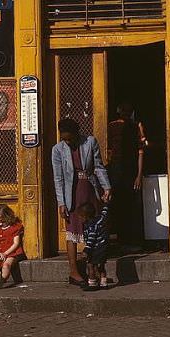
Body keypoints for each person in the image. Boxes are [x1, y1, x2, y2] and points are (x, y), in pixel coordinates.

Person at [51, 117, 111, 286]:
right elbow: (58, 178)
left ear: (77, 133)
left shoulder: (90, 142)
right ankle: (74, 272)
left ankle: (94, 270)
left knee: (93, 229)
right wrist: (61, 202)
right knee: (73, 230)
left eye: (70, 138)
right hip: (72, 194)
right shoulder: (57, 150)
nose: (68, 141)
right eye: (64, 138)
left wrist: (106, 187)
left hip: (90, 190)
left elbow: (98, 166)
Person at [106, 102, 145, 249]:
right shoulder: (135, 127)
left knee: (123, 203)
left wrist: (138, 175)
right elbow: (141, 153)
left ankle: (124, 239)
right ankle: (125, 239)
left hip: (121, 170)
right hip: (125, 170)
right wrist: (139, 174)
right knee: (125, 204)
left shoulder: (114, 126)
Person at [77, 201, 110, 291]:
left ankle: (92, 283)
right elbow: (104, 213)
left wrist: (86, 251)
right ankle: (104, 283)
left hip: (95, 248)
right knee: (101, 266)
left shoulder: (90, 226)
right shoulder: (99, 219)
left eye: (80, 217)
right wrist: (106, 204)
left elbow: (91, 240)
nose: (79, 219)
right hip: (103, 247)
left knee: (90, 265)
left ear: (85, 217)